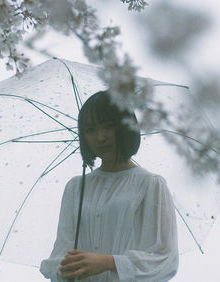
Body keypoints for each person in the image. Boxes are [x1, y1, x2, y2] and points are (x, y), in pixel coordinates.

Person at [40, 90, 179, 281]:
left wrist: (107, 262)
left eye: (108, 126)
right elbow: (60, 253)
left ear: (125, 127)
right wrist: (66, 270)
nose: (100, 137)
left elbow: (164, 259)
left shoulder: (150, 185)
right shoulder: (75, 188)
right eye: (90, 130)